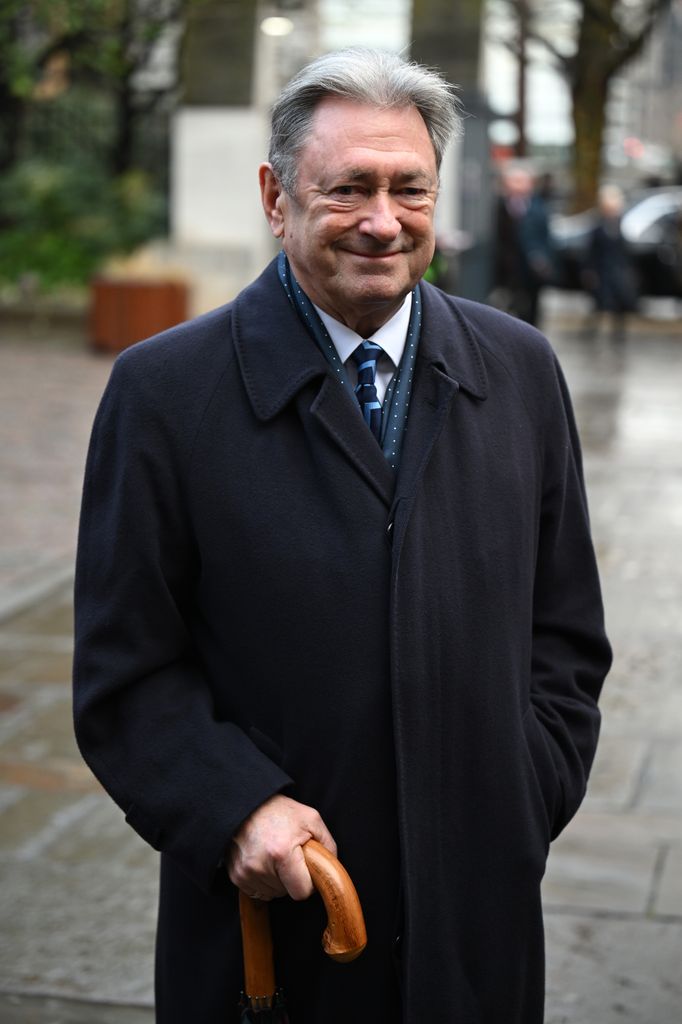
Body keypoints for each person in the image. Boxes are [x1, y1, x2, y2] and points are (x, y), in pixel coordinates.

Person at [73, 48, 611, 1024]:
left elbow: (565, 637)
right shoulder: (163, 394)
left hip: (475, 929)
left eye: (409, 188)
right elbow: (126, 673)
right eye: (348, 188)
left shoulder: (523, 372)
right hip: (276, 936)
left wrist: (520, 797)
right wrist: (234, 805)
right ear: (277, 197)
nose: (382, 220)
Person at [494, 164, 556, 326]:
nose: (517, 185)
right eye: (513, 180)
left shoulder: (539, 206)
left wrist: (545, 260)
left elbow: (546, 236)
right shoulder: (498, 205)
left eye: (522, 181)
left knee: (532, 307)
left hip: (532, 268)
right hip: (507, 268)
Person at [583, 183, 638, 337]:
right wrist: (590, 271)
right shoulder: (598, 226)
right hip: (602, 270)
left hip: (618, 271)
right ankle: (590, 332)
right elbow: (591, 251)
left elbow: (626, 251)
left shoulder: (622, 225)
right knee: (599, 304)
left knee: (620, 304)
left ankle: (619, 333)